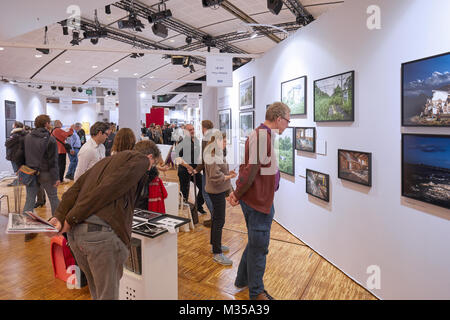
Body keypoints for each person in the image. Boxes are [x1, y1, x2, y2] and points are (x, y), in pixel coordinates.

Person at [49, 140, 161, 300]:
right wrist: (71, 218)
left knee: (97, 293)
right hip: (100, 237)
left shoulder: (106, 162)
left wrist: (59, 216)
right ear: (150, 157)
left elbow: (74, 189)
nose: (149, 169)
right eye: (153, 164)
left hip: (77, 237)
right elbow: (108, 188)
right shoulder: (141, 160)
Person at [228, 102, 291, 300]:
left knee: (254, 243)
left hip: (257, 200)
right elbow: (250, 169)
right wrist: (236, 194)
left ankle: (242, 279)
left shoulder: (261, 135)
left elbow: (251, 167)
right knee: (259, 247)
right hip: (258, 203)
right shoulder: (263, 136)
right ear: (279, 118)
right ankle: (256, 293)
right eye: (287, 121)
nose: (287, 125)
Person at [23, 115, 60, 241]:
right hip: (46, 173)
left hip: (30, 173)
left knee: (29, 200)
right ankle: (57, 227)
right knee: (53, 198)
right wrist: (56, 178)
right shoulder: (50, 139)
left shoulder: (27, 137)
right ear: (46, 124)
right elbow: (53, 162)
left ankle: (28, 231)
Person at [205, 132, 236, 265]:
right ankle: (217, 252)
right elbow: (215, 177)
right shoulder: (212, 156)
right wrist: (229, 177)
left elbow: (220, 173)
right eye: (223, 141)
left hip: (218, 191)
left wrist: (228, 174)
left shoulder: (217, 155)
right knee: (219, 220)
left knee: (217, 219)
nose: (225, 143)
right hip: (216, 192)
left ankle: (215, 245)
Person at [175, 124, 206, 214]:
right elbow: (178, 158)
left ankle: (198, 206)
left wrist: (197, 168)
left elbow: (196, 156)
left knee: (203, 187)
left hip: (195, 170)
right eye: (189, 130)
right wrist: (188, 167)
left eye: (193, 129)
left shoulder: (196, 140)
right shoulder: (182, 141)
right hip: (184, 170)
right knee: (185, 192)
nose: (192, 131)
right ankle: (185, 213)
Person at [193, 120, 216, 222]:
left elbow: (204, 158)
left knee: (206, 193)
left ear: (204, 128)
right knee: (211, 193)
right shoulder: (215, 136)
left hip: (208, 170)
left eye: (201, 127)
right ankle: (215, 216)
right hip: (215, 169)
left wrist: (197, 170)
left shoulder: (206, 138)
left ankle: (214, 217)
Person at [5, 121, 27, 186]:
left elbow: (7, 143)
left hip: (15, 155)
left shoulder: (15, 135)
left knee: (17, 170)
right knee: (20, 168)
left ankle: (19, 181)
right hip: (21, 154)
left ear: (15, 126)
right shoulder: (24, 133)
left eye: (13, 124)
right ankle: (21, 181)